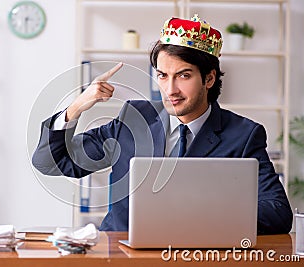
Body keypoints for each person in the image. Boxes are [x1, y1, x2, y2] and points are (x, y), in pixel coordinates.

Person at [32, 15, 293, 234]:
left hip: (196, 256)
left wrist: (206, 213)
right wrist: (76, 106)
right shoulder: (133, 118)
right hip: (121, 254)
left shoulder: (244, 135)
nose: (170, 89)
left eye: (184, 76)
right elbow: (50, 162)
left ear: (209, 78)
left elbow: (278, 213)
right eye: (162, 76)